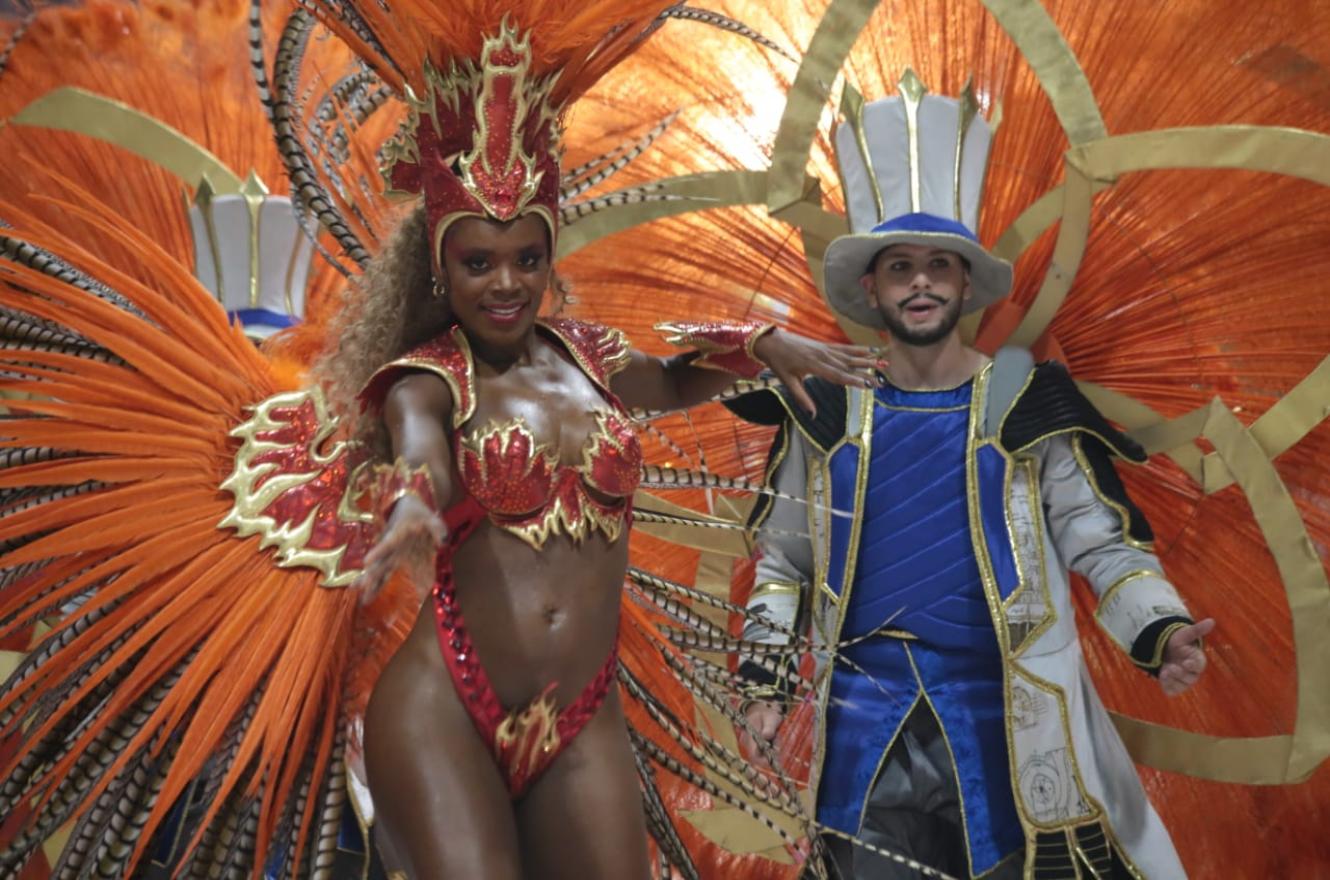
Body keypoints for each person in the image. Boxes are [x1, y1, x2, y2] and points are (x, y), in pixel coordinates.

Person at [728, 74, 1214, 879]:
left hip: (1006, 728)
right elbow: (784, 563)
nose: (920, 282)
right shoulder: (825, 409)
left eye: (938, 266)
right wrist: (764, 683)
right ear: (871, 289)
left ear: (964, 283)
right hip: (860, 731)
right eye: (900, 267)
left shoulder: (1030, 402)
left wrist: (1160, 632)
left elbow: (1102, 543)